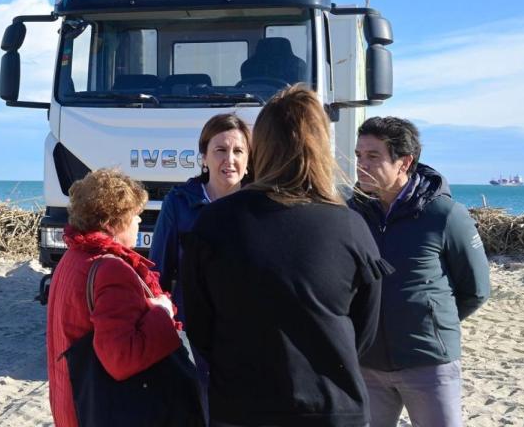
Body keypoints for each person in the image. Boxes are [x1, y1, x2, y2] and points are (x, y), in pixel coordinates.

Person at [182, 85, 387, 427]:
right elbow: (364, 331)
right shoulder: (350, 225)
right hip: (331, 406)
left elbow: (200, 327)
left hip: (240, 405)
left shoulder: (215, 222)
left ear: (260, 147)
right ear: (321, 148)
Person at [350, 117, 490, 427]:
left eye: (373, 157)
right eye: (359, 155)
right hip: (366, 365)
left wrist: (430, 323)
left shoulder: (444, 214)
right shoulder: (351, 214)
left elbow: (476, 289)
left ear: (404, 162)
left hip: (428, 365)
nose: (362, 165)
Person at [46, 168, 183, 427]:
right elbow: (122, 359)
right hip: (101, 410)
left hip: (73, 403)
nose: (140, 222)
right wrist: (162, 312)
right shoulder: (111, 269)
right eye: (134, 216)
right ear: (111, 223)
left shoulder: (72, 257)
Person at [150, 113, 251, 418]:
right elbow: (158, 273)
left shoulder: (261, 204)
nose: (229, 160)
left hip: (250, 331)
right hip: (195, 332)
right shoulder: (179, 203)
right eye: (220, 150)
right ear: (204, 157)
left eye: (238, 151)